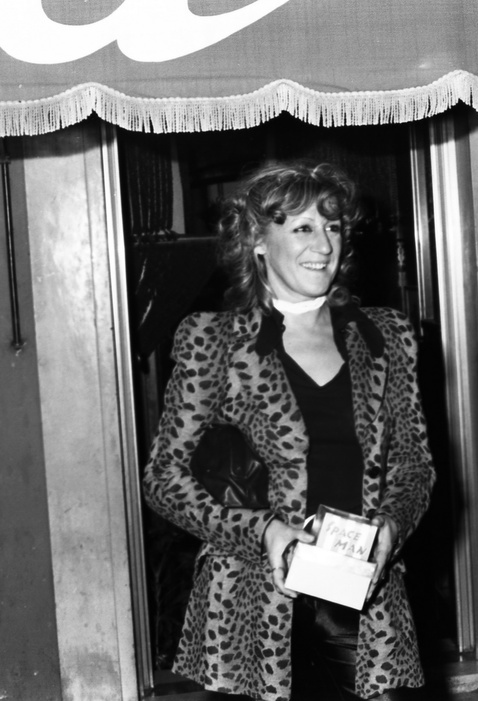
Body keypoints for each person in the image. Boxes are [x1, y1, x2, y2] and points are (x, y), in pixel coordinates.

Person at [143, 162, 435, 701]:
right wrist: (264, 531)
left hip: (361, 591)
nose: (323, 244)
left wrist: (391, 529)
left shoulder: (386, 336)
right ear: (258, 241)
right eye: (303, 228)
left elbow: (414, 465)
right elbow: (163, 478)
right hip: (250, 595)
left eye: (333, 226)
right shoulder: (214, 339)